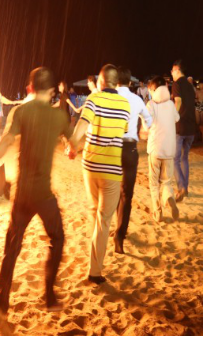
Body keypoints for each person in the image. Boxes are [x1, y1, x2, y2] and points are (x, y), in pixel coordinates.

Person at [0, 68, 71, 326]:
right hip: (44, 195)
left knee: (11, 250)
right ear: (52, 91)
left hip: (22, 195)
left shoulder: (21, 112)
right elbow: (76, 144)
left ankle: (1, 306)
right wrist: (72, 146)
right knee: (58, 238)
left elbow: (5, 142)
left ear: (30, 88)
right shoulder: (59, 116)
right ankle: (49, 295)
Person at [68, 65, 130, 285]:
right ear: (116, 82)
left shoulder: (93, 99)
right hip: (111, 167)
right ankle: (95, 271)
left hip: (91, 165)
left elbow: (82, 124)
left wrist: (72, 144)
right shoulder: (125, 104)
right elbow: (123, 131)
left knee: (94, 209)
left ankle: (91, 247)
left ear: (101, 81)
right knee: (104, 219)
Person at [114, 68, 153, 254]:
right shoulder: (136, 99)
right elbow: (148, 121)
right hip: (129, 148)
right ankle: (120, 235)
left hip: (112, 148)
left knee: (112, 190)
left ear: (115, 81)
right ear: (130, 82)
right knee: (126, 195)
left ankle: (114, 226)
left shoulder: (110, 98)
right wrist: (143, 129)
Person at [146, 77, 180, 222]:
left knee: (154, 183)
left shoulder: (151, 104)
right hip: (169, 149)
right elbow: (177, 118)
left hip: (155, 149)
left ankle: (157, 211)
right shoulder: (171, 104)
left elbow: (147, 122)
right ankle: (169, 198)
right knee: (166, 182)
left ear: (153, 90)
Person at [171, 60, 197, 203]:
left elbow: (178, 101)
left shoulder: (177, 84)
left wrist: (173, 118)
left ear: (177, 70)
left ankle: (181, 187)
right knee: (184, 158)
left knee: (175, 159)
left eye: (172, 71)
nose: (171, 73)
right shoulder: (190, 85)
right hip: (191, 127)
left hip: (180, 127)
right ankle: (185, 188)